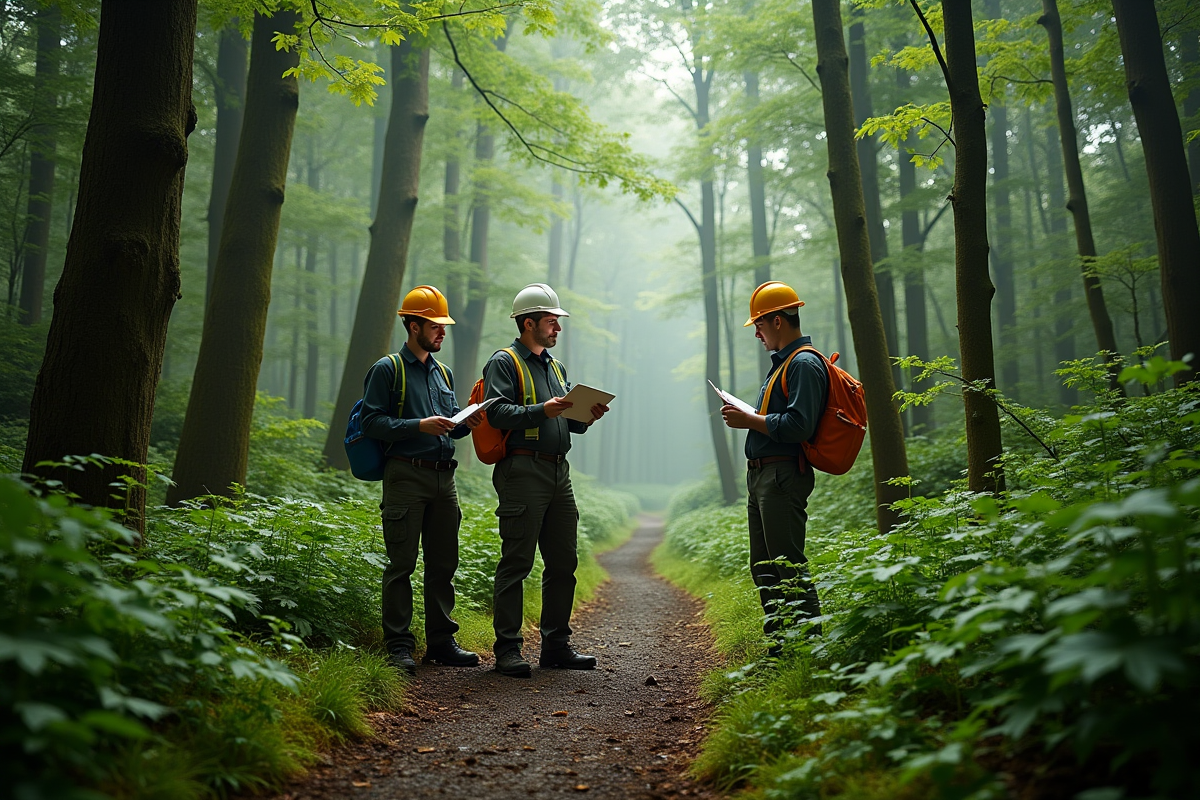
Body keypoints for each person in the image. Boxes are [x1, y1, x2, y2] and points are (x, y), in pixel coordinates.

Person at [482, 283, 609, 678]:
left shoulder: (556, 367)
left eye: (557, 322)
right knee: (516, 562)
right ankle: (507, 650)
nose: (557, 328)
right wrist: (544, 409)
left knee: (563, 562)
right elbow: (497, 413)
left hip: (559, 472)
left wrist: (586, 415)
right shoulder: (503, 362)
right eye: (551, 321)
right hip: (522, 471)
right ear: (528, 323)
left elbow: (565, 420)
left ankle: (556, 646)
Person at [360, 285, 484, 675]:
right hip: (405, 477)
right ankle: (398, 646)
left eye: (444, 326)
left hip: (444, 481)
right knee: (401, 564)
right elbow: (371, 422)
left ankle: (442, 642)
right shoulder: (387, 369)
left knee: (444, 562)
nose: (442, 332)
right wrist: (419, 425)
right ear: (413, 326)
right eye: (435, 325)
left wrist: (468, 421)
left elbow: (449, 426)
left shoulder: (442, 372)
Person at [719, 280, 826, 655]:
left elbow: (799, 426)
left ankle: (811, 650)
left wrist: (750, 421)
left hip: (781, 476)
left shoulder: (804, 363)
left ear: (778, 320)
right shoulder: (785, 365)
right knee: (764, 566)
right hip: (763, 476)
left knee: (787, 565)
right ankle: (781, 648)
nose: (758, 334)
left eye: (760, 325)